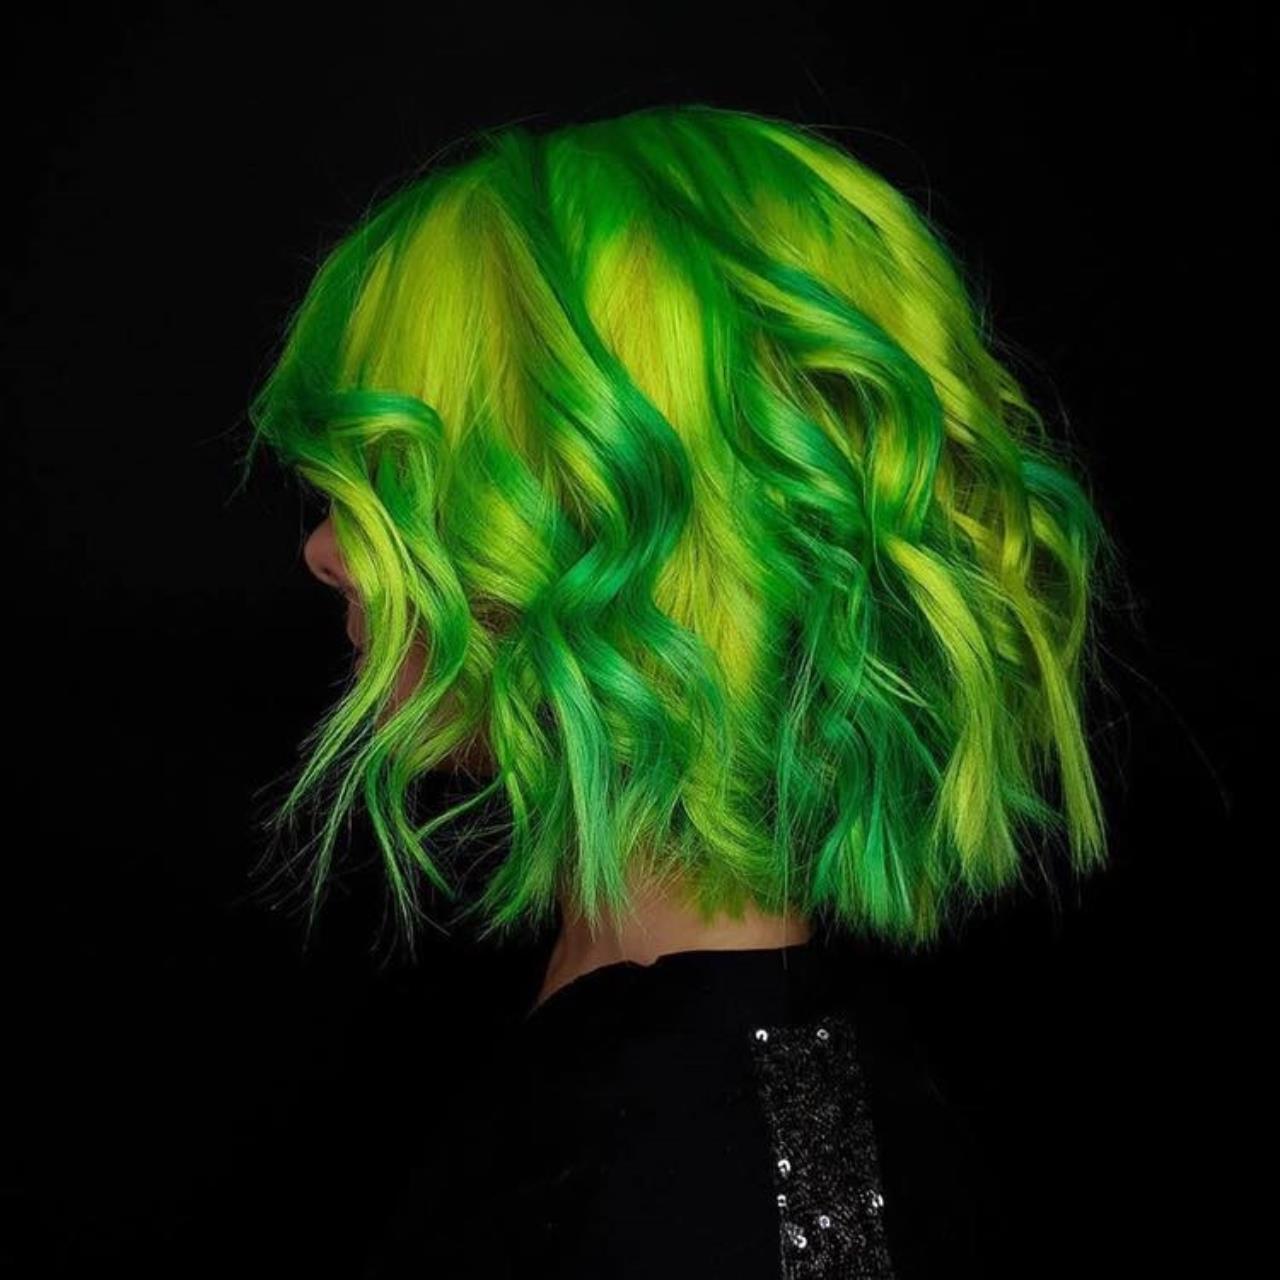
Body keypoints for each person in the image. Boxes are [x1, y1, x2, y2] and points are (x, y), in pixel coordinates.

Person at [241, 102, 1125, 1277]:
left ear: (639, 540)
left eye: (408, 482)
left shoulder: (710, 1180)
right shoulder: (673, 1069)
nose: (326, 551)